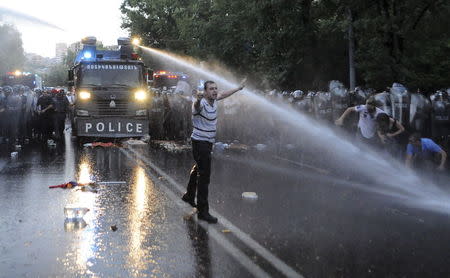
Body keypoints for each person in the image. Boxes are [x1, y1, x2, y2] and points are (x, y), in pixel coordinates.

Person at [182, 79, 246, 223]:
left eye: (215, 88)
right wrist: (197, 100)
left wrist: (238, 88)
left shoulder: (215, 100)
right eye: (211, 89)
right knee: (204, 177)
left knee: (198, 168)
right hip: (200, 142)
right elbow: (196, 106)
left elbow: (224, 94)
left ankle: (189, 195)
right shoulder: (200, 104)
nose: (215, 91)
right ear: (204, 92)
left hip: (208, 142)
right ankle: (203, 211)